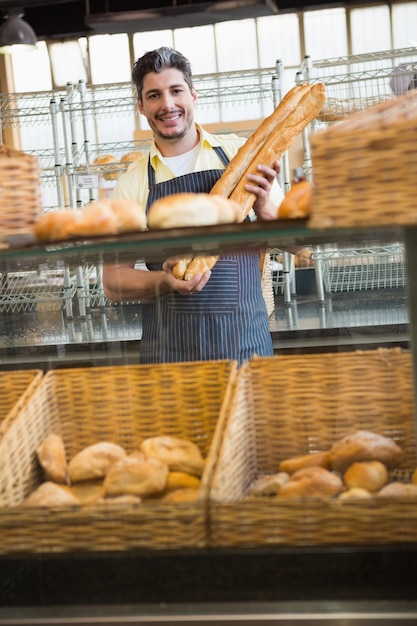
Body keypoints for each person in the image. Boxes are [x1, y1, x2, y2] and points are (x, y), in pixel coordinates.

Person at [102, 46, 284, 365]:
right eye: (155, 95)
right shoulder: (131, 184)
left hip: (245, 347)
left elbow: (300, 245)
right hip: (170, 358)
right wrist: (164, 281)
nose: (168, 104)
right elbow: (113, 282)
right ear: (141, 106)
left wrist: (266, 208)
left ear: (193, 94)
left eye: (176, 91)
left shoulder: (242, 157)